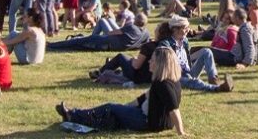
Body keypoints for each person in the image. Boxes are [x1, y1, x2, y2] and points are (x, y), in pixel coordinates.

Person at [57, 46, 186, 134]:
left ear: (160, 63)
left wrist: (181, 132)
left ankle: (73, 115)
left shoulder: (163, 84)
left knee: (110, 107)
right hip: (149, 118)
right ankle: (82, 118)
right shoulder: (170, 81)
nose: (149, 62)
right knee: (115, 112)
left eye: (152, 60)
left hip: (147, 122)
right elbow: (145, 97)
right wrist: (125, 108)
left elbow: (173, 109)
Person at [48, 18, 149, 52]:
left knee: (79, 41)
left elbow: (111, 33)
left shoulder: (131, 27)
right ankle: (89, 38)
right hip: (117, 43)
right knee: (106, 21)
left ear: (136, 21)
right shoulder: (145, 33)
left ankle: (52, 45)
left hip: (109, 42)